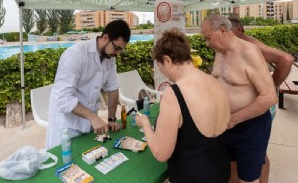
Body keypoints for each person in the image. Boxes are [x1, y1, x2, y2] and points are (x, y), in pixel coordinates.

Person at [136, 28, 231, 183]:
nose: (163, 73)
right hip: (220, 170)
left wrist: (145, 124)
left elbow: (161, 153)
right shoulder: (213, 80)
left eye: (160, 67)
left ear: (167, 60)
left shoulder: (173, 94)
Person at [201, 14, 278, 183]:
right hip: (226, 126)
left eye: (208, 38)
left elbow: (270, 96)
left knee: (248, 178)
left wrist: (234, 119)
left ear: (222, 30)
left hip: (250, 127)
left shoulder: (249, 52)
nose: (207, 44)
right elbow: (222, 81)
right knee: (229, 174)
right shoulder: (220, 53)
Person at [228, 15, 294, 183]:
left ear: (238, 29)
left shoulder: (251, 45)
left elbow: (286, 59)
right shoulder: (235, 47)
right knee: (253, 153)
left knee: (258, 153)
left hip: (261, 107)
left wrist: (272, 86)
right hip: (251, 109)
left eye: (228, 31)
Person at [46, 19, 131, 149]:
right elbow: (62, 98)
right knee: (65, 164)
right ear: (105, 37)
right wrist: (92, 117)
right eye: (117, 48)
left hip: (89, 123)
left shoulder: (109, 58)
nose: (117, 54)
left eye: (121, 50)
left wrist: (112, 119)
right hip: (66, 125)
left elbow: (113, 89)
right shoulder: (75, 55)